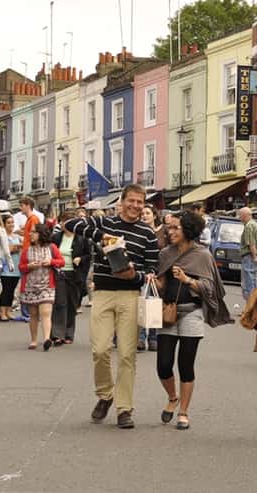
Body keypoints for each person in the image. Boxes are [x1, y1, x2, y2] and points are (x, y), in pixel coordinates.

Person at [66, 184, 160, 429]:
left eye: (140, 202)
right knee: (100, 349)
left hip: (130, 296)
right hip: (103, 294)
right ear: (122, 201)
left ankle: (124, 408)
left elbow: (152, 272)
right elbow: (69, 224)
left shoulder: (148, 234)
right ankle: (105, 395)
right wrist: (103, 237)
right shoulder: (103, 223)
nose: (135, 206)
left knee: (128, 354)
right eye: (131, 201)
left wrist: (134, 276)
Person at [155, 209, 232, 430]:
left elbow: (211, 288)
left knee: (186, 365)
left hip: (192, 312)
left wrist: (188, 280)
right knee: (163, 365)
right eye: (169, 227)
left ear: (188, 230)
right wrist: (154, 280)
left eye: (175, 228)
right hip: (168, 312)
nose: (170, 232)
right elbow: (161, 286)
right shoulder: (165, 254)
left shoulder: (203, 255)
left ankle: (184, 412)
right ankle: (172, 397)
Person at [19, 222, 64, 350]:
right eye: (31, 232)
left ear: (41, 233)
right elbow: (21, 267)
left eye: (33, 232)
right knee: (33, 314)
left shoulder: (52, 248)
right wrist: (29, 266)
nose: (30, 234)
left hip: (47, 285)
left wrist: (50, 262)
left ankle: (46, 339)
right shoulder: (27, 250)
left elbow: (61, 261)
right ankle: (33, 340)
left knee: (45, 312)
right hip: (30, 286)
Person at [51, 210, 90, 345]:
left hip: (75, 275)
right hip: (60, 273)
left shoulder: (81, 238)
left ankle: (69, 333)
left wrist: (80, 258)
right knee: (59, 304)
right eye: (60, 221)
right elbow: (50, 252)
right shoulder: (56, 237)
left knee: (72, 304)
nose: (61, 224)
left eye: (64, 221)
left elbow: (89, 255)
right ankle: (57, 333)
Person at [139, 204, 165, 352]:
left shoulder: (162, 231)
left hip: (159, 273)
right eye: (142, 213)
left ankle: (154, 338)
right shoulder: (139, 231)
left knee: (154, 304)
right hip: (143, 272)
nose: (144, 215)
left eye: (148, 213)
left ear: (154, 215)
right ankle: (141, 338)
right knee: (143, 305)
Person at [0, 213, 24, 322]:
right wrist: (14, 248)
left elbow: (22, 245)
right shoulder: (2, 236)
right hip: (6, 267)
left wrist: (16, 247)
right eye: (8, 223)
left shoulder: (16, 236)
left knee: (12, 290)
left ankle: (8, 311)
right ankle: (2, 313)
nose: (11, 224)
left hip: (16, 266)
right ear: (3, 224)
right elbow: (6, 250)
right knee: (6, 289)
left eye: (12, 222)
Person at [238, 206, 257, 302]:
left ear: (244, 215)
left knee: (248, 283)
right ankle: (254, 306)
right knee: (253, 281)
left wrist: (254, 256)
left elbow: (251, 243)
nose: (239, 218)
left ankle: (250, 307)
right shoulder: (256, 224)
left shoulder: (248, 226)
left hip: (249, 256)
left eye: (240, 215)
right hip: (253, 255)